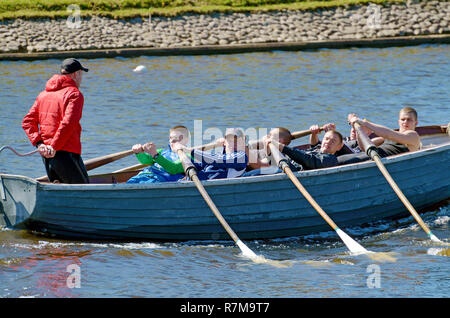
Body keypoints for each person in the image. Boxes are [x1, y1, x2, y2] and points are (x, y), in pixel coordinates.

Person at [22, 58, 90, 184]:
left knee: (60, 190)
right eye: (81, 74)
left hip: (46, 153)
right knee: (84, 191)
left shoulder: (43, 94)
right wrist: (53, 147)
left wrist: (40, 145)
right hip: (63, 152)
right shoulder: (75, 94)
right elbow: (68, 124)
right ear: (76, 74)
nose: (81, 78)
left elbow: (27, 122)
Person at [338, 107, 420, 165]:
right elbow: (363, 147)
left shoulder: (413, 135)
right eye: (403, 119)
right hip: (371, 156)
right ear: (398, 121)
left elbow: (389, 134)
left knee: (345, 162)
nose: (405, 122)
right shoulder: (385, 138)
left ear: (415, 123)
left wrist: (363, 122)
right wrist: (358, 129)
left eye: (409, 119)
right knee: (337, 160)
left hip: (378, 160)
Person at [173, 128, 248, 180]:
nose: (233, 144)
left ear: (243, 141)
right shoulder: (219, 155)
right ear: (224, 142)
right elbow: (198, 166)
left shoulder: (241, 157)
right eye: (230, 141)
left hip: (207, 188)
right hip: (192, 183)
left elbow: (217, 160)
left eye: (236, 141)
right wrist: (183, 154)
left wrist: (189, 151)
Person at [267, 129, 344, 170]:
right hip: (279, 164)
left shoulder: (330, 159)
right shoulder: (314, 150)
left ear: (339, 147)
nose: (328, 142)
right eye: (326, 139)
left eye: (333, 141)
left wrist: (282, 147)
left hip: (288, 171)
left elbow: (306, 159)